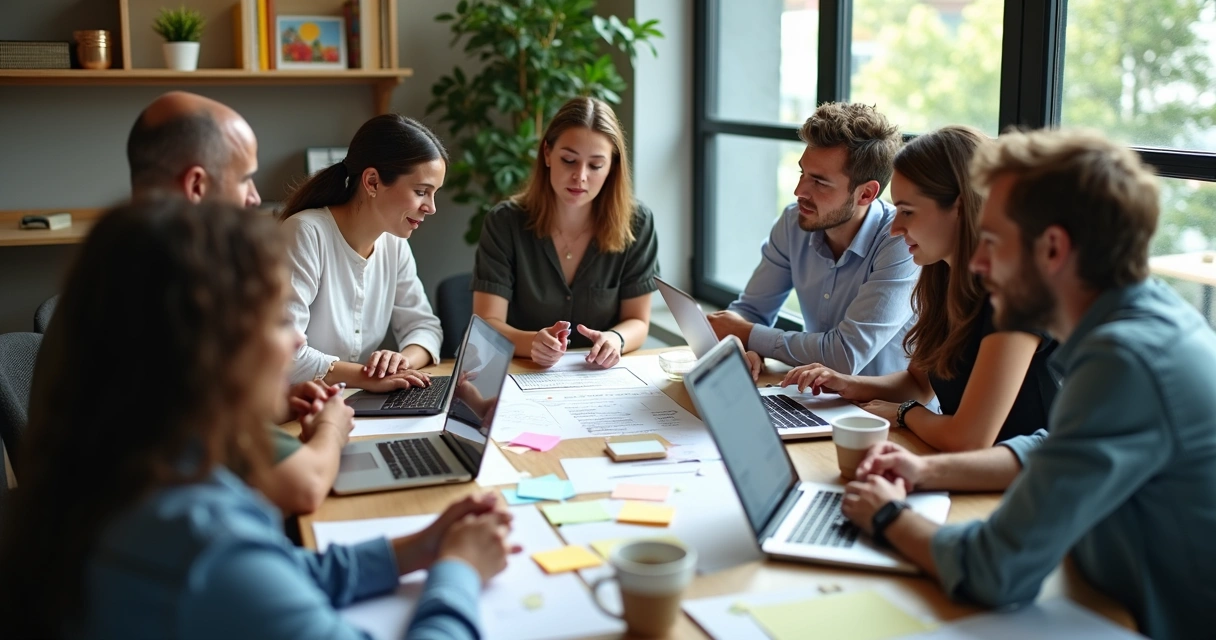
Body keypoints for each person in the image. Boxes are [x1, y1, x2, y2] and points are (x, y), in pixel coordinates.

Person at [0, 199, 517, 639]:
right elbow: (237, 569)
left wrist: (419, 548)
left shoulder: (148, 465)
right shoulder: (202, 542)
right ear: (208, 351)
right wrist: (459, 571)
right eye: (276, 320)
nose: (296, 341)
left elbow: (280, 571)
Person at [839, 129, 1216, 639]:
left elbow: (995, 570)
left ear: (1054, 249)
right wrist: (926, 471)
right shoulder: (1142, 318)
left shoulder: (1125, 360)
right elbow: (1056, 448)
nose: (976, 263)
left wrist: (887, 518)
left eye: (991, 242)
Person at [124, 91, 347, 514]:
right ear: (196, 186)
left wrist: (276, 400)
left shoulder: (119, 267)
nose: (253, 197)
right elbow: (302, 485)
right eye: (245, 178)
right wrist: (333, 428)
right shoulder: (186, 301)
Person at [781, 127, 1057, 451]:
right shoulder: (942, 277)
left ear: (959, 206)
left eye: (907, 211)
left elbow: (969, 439)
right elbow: (918, 383)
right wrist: (846, 384)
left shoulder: (1017, 293)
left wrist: (904, 413)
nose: (896, 229)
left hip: (1030, 486)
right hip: (972, 474)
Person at [707, 102, 918, 375]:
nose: (799, 191)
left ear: (866, 194)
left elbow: (845, 355)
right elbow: (751, 312)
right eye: (802, 173)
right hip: (815, 398)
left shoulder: (900, 241)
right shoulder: (794, 222)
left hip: (882, 412)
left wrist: (750, 335)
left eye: (819, 182)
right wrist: (742, 347)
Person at [472, 96, 660, 369]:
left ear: (612, 167)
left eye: (595, 165)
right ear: (547, 153)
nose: (580, 176)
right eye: (569, 160)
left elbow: (639, 321)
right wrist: (532, 342)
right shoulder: (505, 222)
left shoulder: (638, 223)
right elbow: (487, 325)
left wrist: (615, 339)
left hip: (596, 377)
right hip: (523, 372)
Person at [280, 114, 446, 391]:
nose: (431, 207)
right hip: (291, 409)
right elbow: (284, 352)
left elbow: (425, 327)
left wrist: (400, 363)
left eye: (434, 194)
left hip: (351, 402)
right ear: (372, 182)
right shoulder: (305, 233)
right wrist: (367, 377)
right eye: (421, 191)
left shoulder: (394, 243)